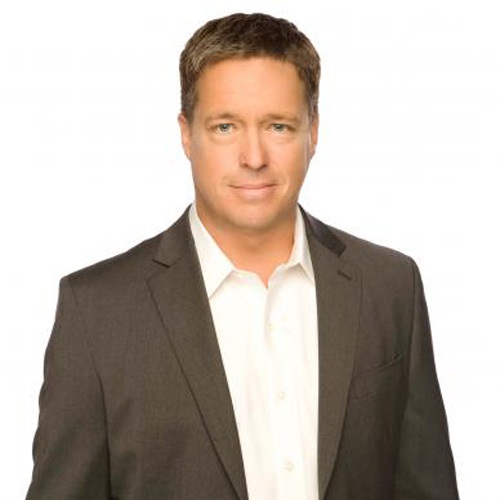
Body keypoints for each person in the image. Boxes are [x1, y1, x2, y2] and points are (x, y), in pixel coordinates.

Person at [26, 12, 459, 500]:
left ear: (313, 133)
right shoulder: (98, 311)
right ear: (186, 134)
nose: (254, 157)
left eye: (278, 126)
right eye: (226, 126)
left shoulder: (390, 286)